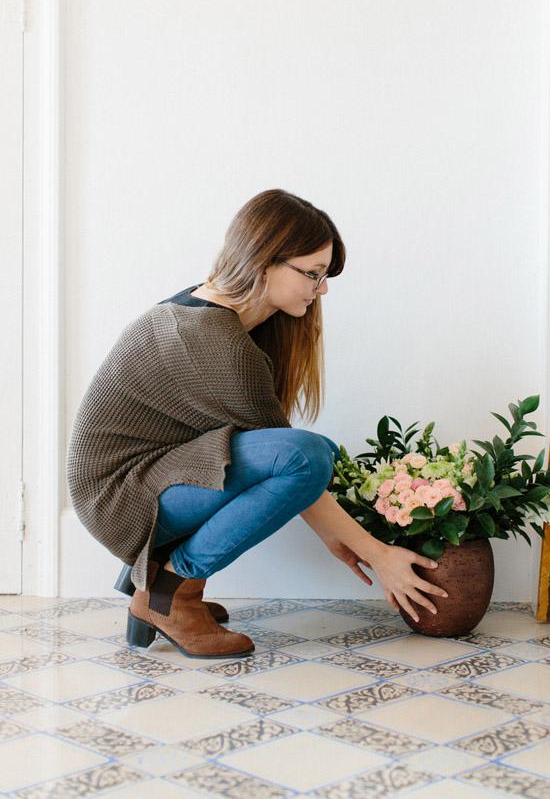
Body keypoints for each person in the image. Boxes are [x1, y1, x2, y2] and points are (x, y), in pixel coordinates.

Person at [65, 188, 446, 659]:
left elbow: (278, 457)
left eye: (324, 276)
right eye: (313, 273)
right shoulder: (212, 339)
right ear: (264, 261)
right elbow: (291, 464)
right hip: (121, 496)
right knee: (307, 455)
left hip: (153, 476)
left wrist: (339, 535)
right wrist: (378, 554)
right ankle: (170, 592)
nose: (322, 289)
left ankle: (158, 579)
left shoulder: (219, 313)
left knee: (314, 452)